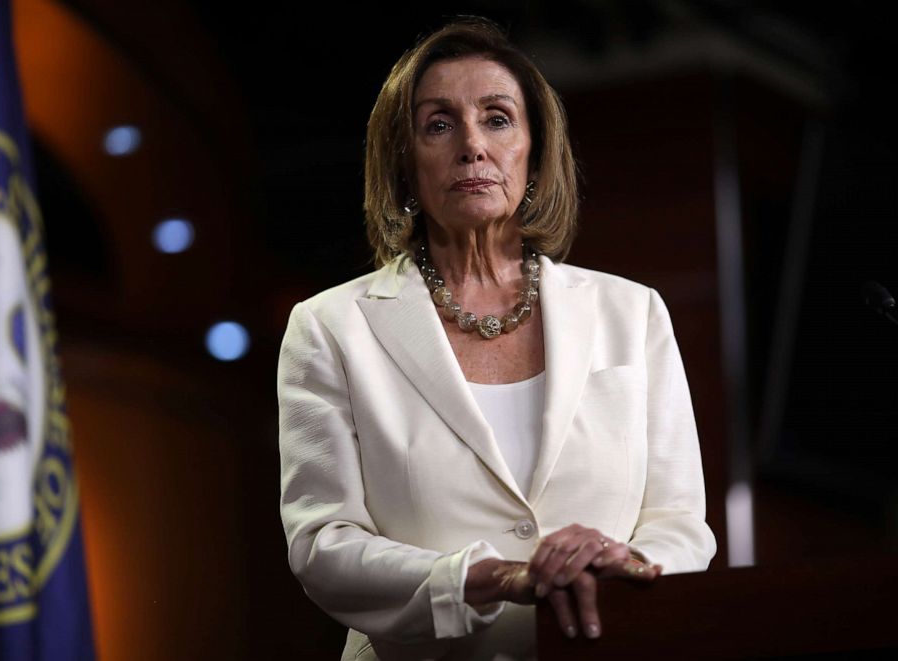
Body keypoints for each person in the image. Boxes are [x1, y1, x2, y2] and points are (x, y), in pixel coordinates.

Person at [277, 18, 716, 661]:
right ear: (404, 161)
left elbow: (682, 525)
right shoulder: (329, 327)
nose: (472, 146)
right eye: (439, 123)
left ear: (534, 153)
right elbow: (323, 544)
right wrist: (491, 580)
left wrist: (623, 562)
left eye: (498, 118)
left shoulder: (633, 312)